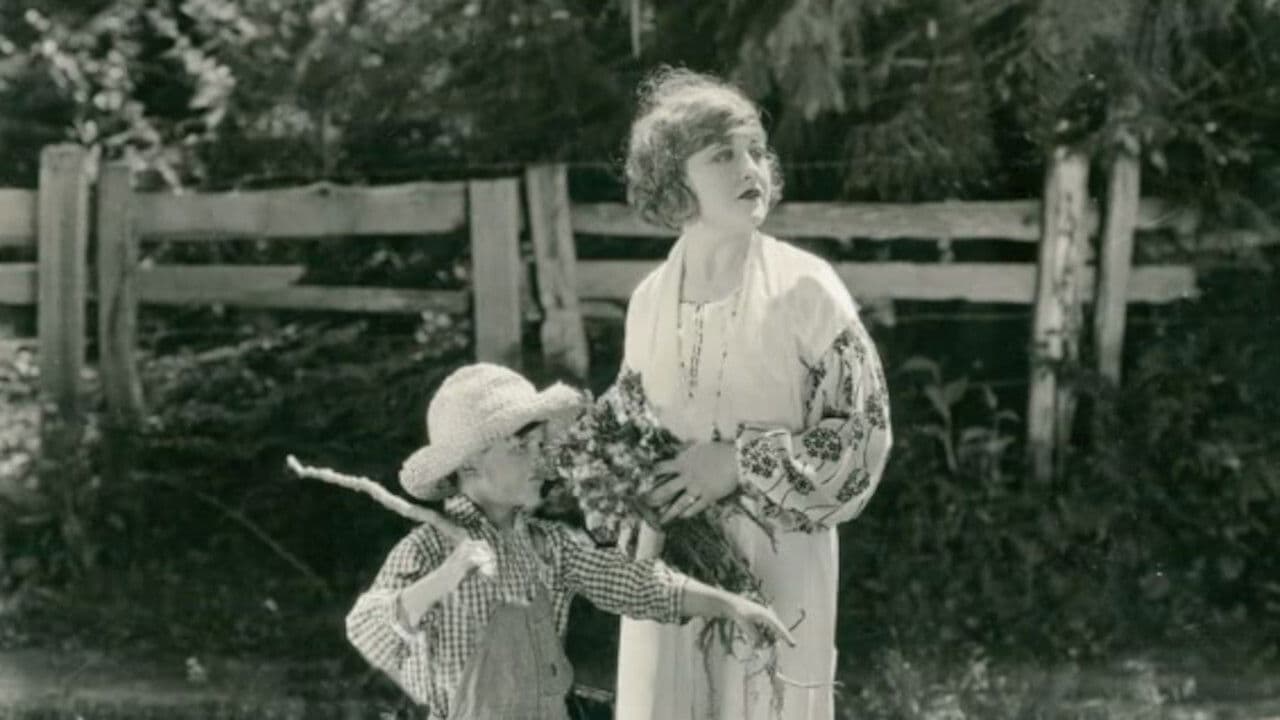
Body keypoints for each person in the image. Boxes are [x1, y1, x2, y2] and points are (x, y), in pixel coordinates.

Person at [613, 67, 894, 720]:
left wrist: (740, 461)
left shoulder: (806, 291)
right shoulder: (648, 303)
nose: (751, 168)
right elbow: (628, 429)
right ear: (673, 183)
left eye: (755, 152)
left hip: (779, 566)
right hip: (675, 570)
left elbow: (863, 439)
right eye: (722, 155)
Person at [345, 363, 795, 720]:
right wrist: (447, 576)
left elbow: (635, 582)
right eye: (524, 448)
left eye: (543, 446)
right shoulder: (427, 549)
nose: (544, 463)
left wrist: (729, 605)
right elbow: (367, 629)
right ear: (469, 465)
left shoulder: (550, 546)